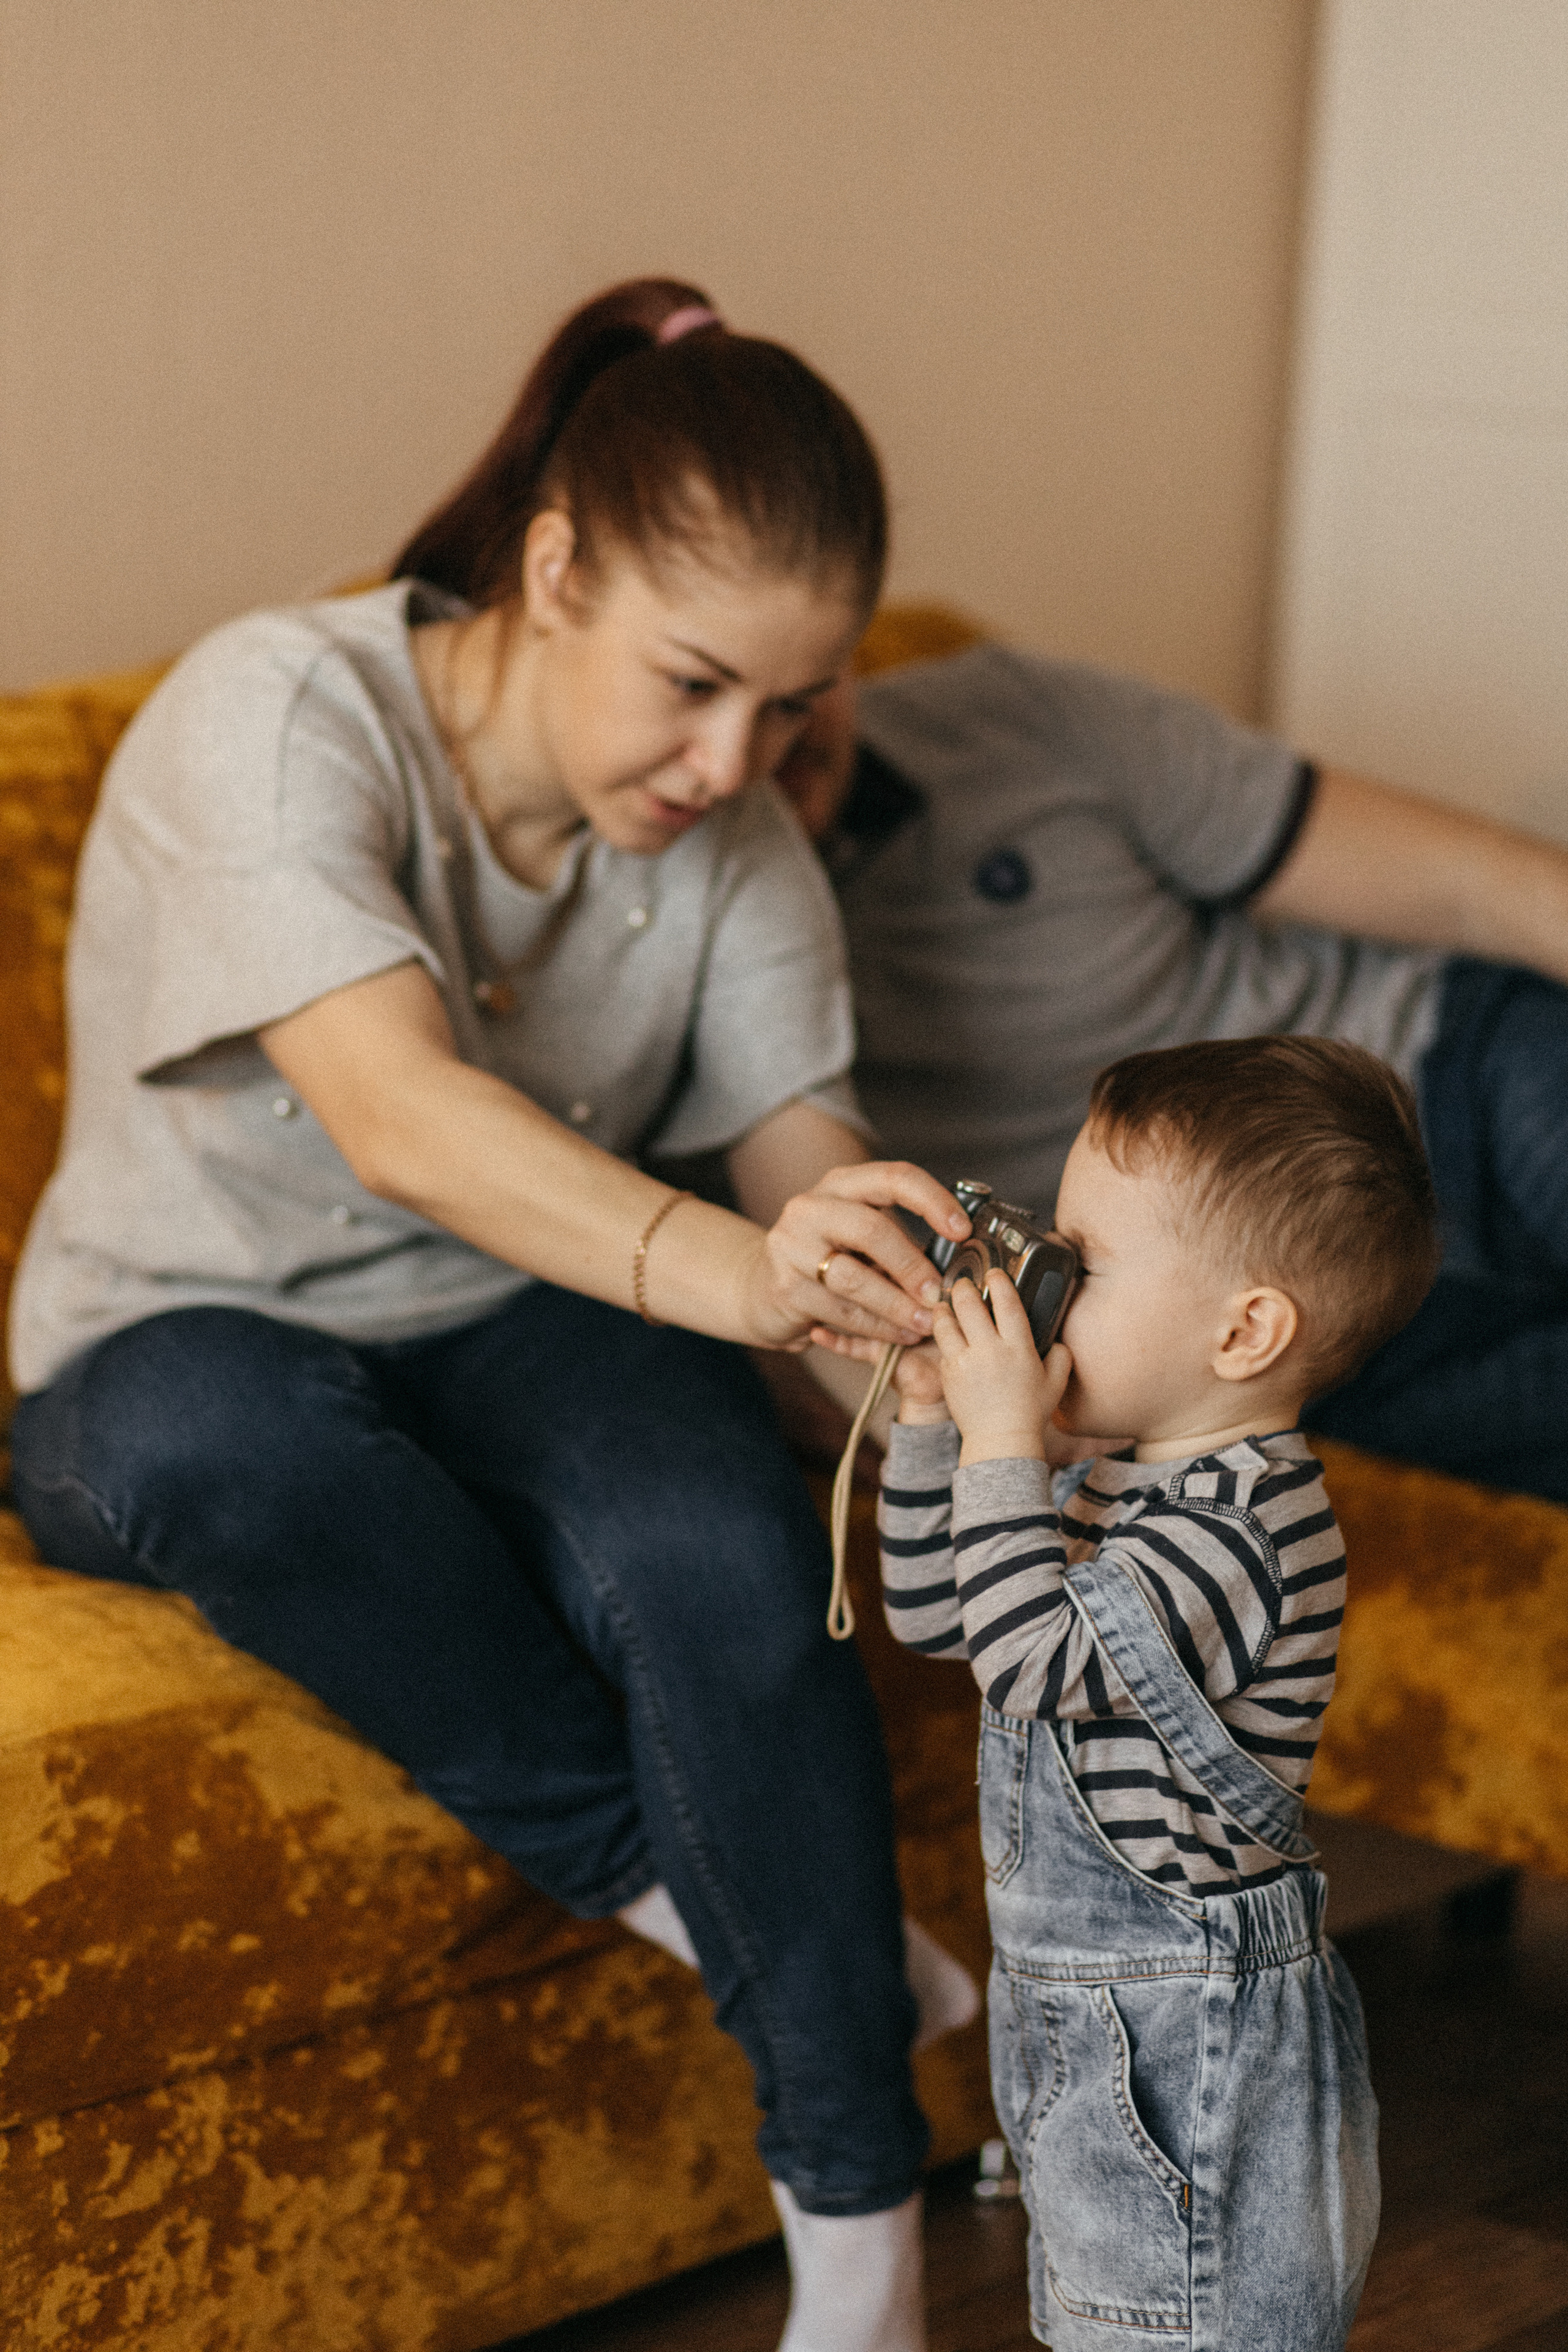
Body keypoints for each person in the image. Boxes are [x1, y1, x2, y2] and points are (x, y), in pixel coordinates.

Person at [7, 279, 978, 2352]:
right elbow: (404, 1119)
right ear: (553, 568)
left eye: (792, 712)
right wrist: (736, 1280)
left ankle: (868, 2275)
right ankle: (749, 1915)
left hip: (520, 1326)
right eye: (695, 685)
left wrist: (923, 1367)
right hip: (178, 1340)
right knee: (211, 1444)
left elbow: (801, 1163)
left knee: (724, 1560)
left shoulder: (739, 839)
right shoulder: (279, 714)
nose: (734, 766)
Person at [878, 1036, 1441, 2350]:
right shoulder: (1113, 1478)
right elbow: (941, 1618)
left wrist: (1007, 1438)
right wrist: (928, 1428)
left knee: (1178, 2323)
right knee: (1101, 2317)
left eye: (1083, 1260)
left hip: (1192, 2034)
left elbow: (1031, 1657)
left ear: (1244, 1331)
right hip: (1087, 2011)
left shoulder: (1245, 1521)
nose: (1048, 1291)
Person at [774, 643, 1568, 1502]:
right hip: (1271, 1325)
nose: (760, 740)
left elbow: (1473, 881)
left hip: (1439, 1066)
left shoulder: (1010, 716)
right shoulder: (694, 977)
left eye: (800, 687)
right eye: (700, 687)